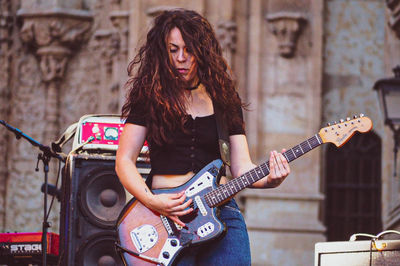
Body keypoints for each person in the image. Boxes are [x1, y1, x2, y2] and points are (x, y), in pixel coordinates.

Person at [115, 8, 290, 265]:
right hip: (166, 214)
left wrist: (270, 180)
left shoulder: (224, 99)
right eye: (173, 50)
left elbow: (241, 168)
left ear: (203, 52)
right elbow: (124, 161)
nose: (181, 58)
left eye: (189, 50)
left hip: (220, 211)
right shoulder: (149, 98)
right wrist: (153, 201)